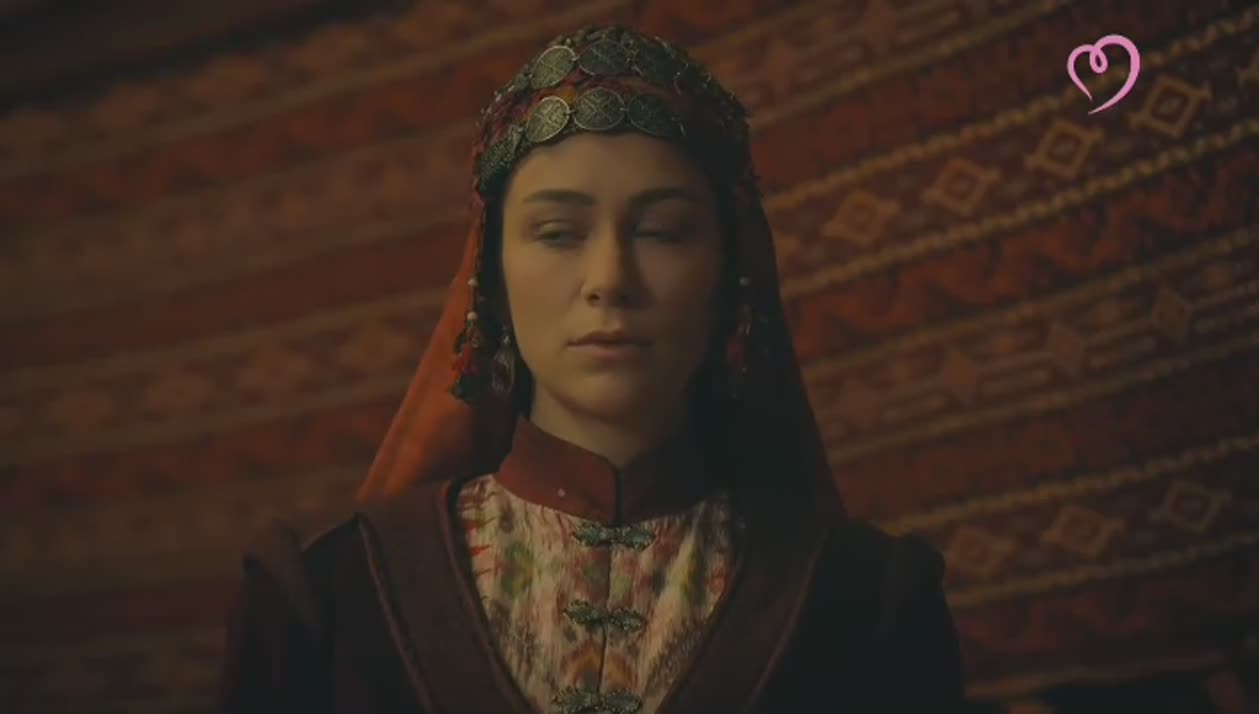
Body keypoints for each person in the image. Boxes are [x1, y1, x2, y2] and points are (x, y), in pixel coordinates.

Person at [217, 25, 966, 714]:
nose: (610, 279)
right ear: (490, 279)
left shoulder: (866, 603)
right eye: (557, 232)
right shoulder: (327, 594)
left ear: (731, 274)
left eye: (664, 231)